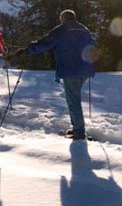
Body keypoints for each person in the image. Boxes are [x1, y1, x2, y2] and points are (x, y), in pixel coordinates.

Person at [19, 9, 96, 139]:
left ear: (63, 18)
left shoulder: (61, 30)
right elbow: (93, 44)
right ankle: (77, 127)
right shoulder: (84, 29)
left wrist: (28, 49)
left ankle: (79, 132)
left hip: (71, 69)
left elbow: (45, 43)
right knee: (73, 98)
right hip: (86, 69)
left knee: (73, 100)